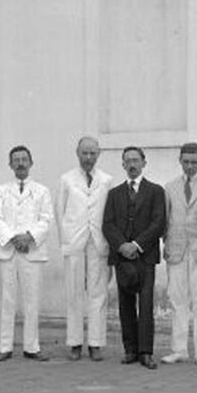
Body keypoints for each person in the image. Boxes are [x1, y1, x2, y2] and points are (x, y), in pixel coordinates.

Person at [102, 146, 166, 369]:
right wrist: (121, 246)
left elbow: (158, 223)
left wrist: (137, 245)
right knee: (125, 305)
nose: (132, 164)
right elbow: (107, 224)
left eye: (135, 160)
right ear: (122, 165)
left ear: (143, 163)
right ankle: (130, 349)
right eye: (127, 160)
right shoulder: (114, 193)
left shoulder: (156, 191)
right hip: (122, 257)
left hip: (145, 256)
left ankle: (146, 352)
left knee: (146, 304)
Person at [0, 145, 54, 362]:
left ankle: (32, 346)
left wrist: (28, 237)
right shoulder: (1, 190)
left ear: (31, 162)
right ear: (10, 164)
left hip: (32, 250)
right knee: (6, 300)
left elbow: (46, 219)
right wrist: (13, 239)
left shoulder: (42, 191)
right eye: (16, 160)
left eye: (24, 159)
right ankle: (5, 346)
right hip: (7, 250)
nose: (20, 163)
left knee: (32, 300)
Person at [54, 136, 114, 362]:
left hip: (98, 241)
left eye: (92, 153)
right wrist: (65, 241)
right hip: (75, 241)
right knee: (74, 293)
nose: (88, 158)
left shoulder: (106, 180)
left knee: (98, 293)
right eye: (84, 153)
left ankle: (96, 343)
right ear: (77, 153)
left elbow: (109, 211)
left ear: (98, 154)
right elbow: (59, 212)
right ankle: (75, 342)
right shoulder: (66, 179)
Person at [161, 142, 197, 366]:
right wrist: (166, 243)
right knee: (177, 299)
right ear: (180, 161)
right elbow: (166, 218)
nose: (189, 166)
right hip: (176, 249)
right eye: (185, 162)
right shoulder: (170, 187)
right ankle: (179, 349)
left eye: (194, 162)